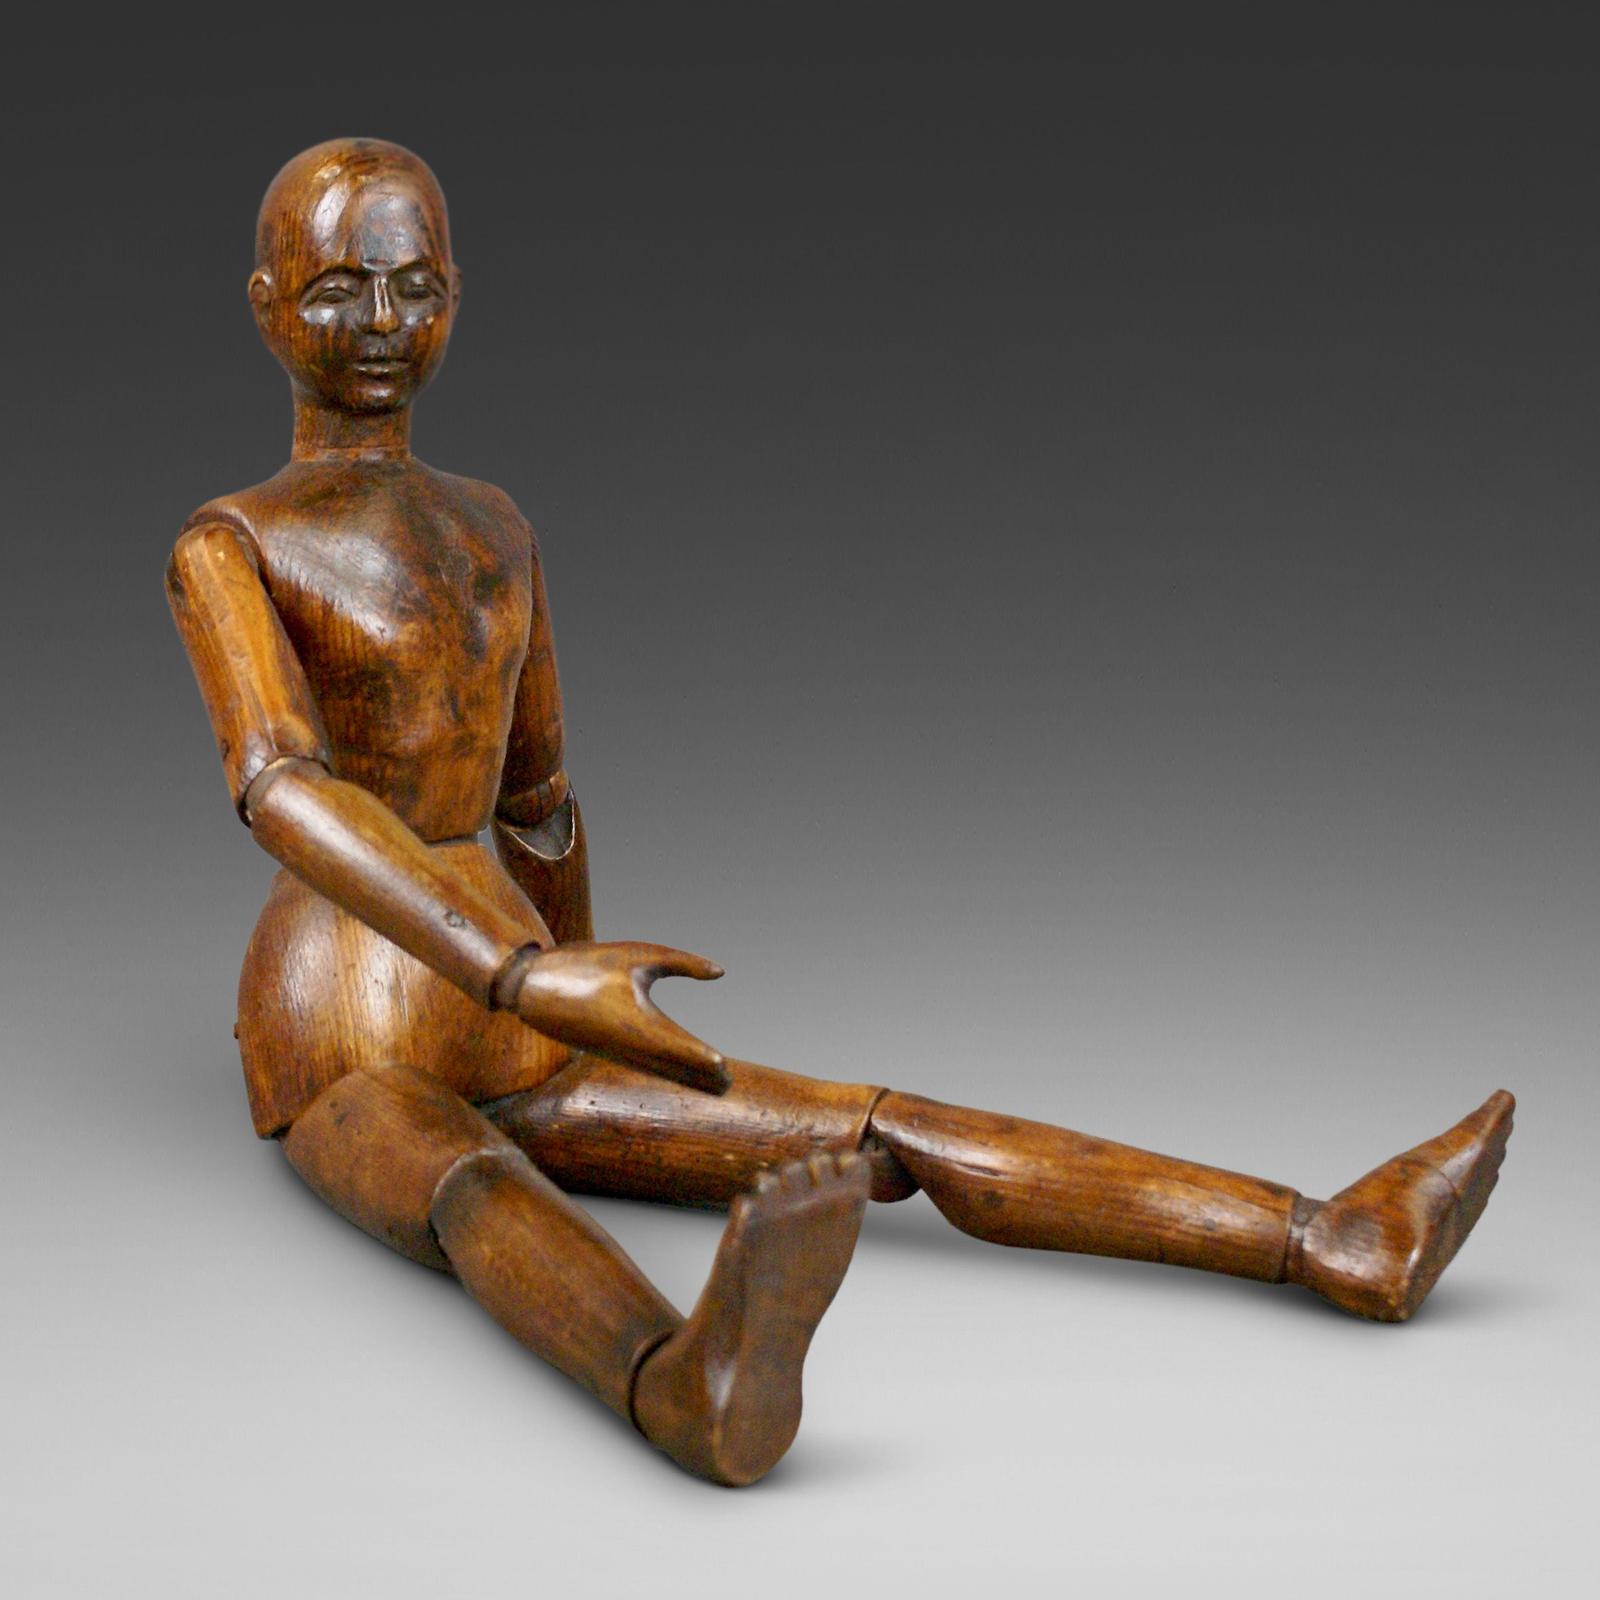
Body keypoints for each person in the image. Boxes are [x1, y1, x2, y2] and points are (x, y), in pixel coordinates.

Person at [168, 138, 1514, 1487]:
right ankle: (676, 1382)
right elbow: (282, 786)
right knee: (468, 1185)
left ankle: (1324, 1235)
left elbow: (537, 798)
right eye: (339, 289)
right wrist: (525, 970)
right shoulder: (233, 543)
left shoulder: (494, 525)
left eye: (415, 285)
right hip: (342, 1025)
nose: (384, 320)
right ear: (266, 306)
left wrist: (580, 983)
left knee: (880, 1127)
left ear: (458, 295)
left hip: (528, 1022)